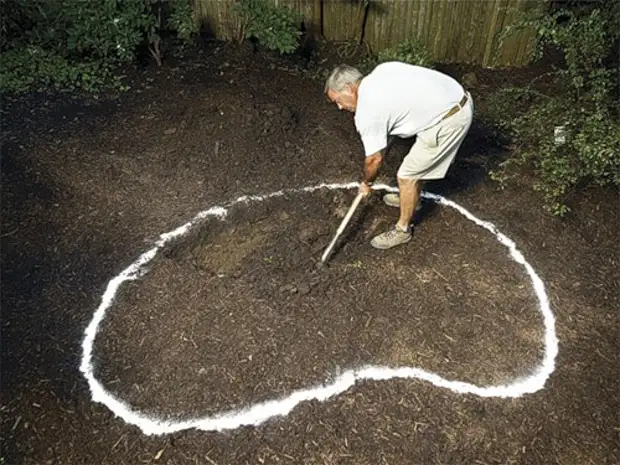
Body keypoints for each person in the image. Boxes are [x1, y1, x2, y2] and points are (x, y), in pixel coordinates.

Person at [324, 61, 474, 250]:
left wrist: (367, 183)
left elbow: (374, 159)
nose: (339, 107)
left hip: (449, 119)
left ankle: (403, 230)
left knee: (407, 175)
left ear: (348, 88)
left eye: (338, 100)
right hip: (455, 97)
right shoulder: (381, 71)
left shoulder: (367, 112)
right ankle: (409, 197)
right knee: (414, 165)